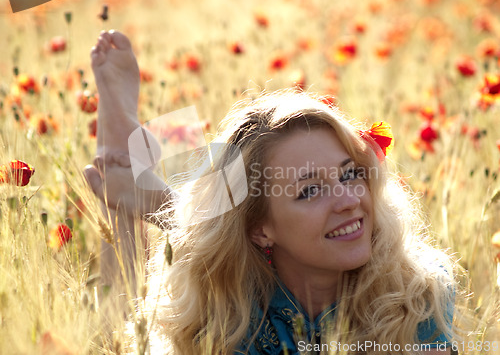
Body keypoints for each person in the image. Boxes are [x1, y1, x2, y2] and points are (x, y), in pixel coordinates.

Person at [84, 30, 463, 355]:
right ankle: (131, 185)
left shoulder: (416, 296)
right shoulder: (231, 312)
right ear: (261, 229)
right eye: (310, 190)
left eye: (349, 175)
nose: (350, 200)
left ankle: (149, 193)